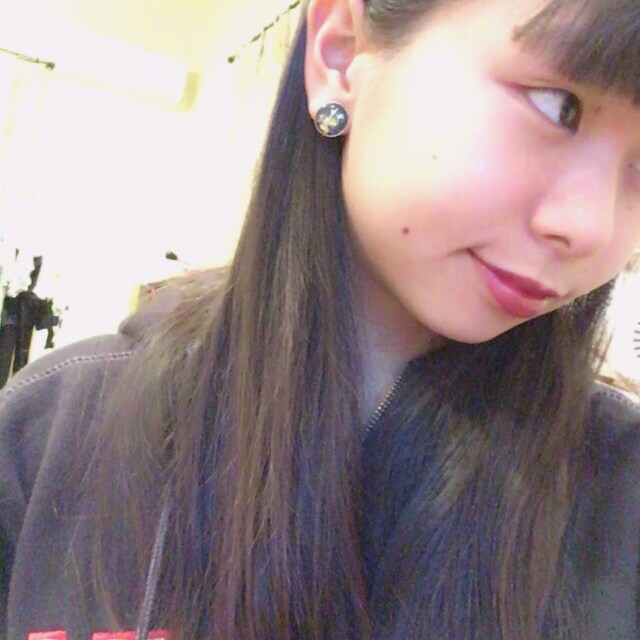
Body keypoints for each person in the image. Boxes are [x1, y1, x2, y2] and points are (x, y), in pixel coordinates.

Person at [1, 0, 640, 638]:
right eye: (558, 106)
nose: (593, 226)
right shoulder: (49, 434)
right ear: (340, 54)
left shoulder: (621, 494)